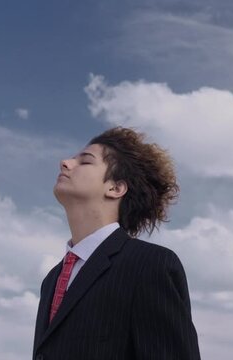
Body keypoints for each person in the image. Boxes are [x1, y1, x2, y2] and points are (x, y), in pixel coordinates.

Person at [32, 126, 201, 360]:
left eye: (85, 161)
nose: (65, 163)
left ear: (115, 188)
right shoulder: (52, 279)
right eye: (71, 159)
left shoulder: (150, 265)